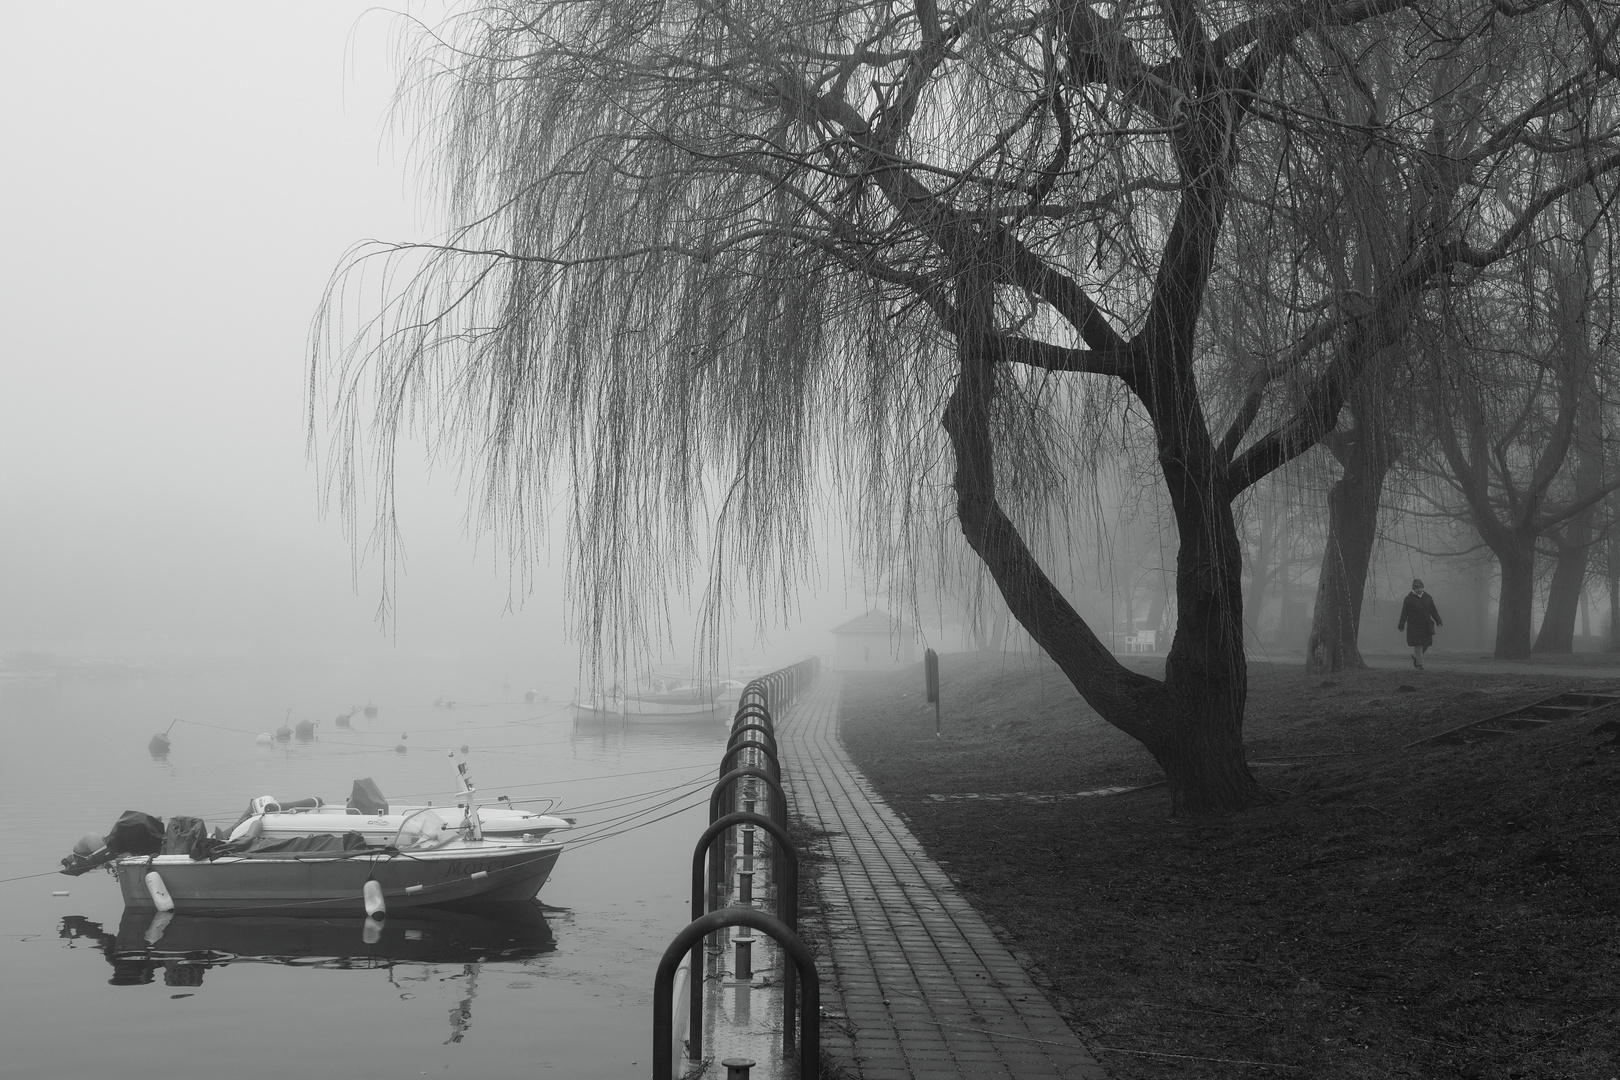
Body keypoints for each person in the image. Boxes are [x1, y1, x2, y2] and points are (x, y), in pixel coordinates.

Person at [1397, 578, 1442, 668]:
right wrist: (1401, 625)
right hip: (1414, 626)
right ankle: (1420, 665)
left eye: (1420, 588)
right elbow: (1404, 613)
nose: (1419, 590)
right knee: (1418, 645)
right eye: (1417, 588)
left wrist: (1438, 621)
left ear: (1423, 587)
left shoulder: (1428, 597)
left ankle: (1415, 657)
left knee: (1426, 644)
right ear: (1413, 588)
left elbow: (1433, 610)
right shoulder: (1408, 599)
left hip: (1426, 625)